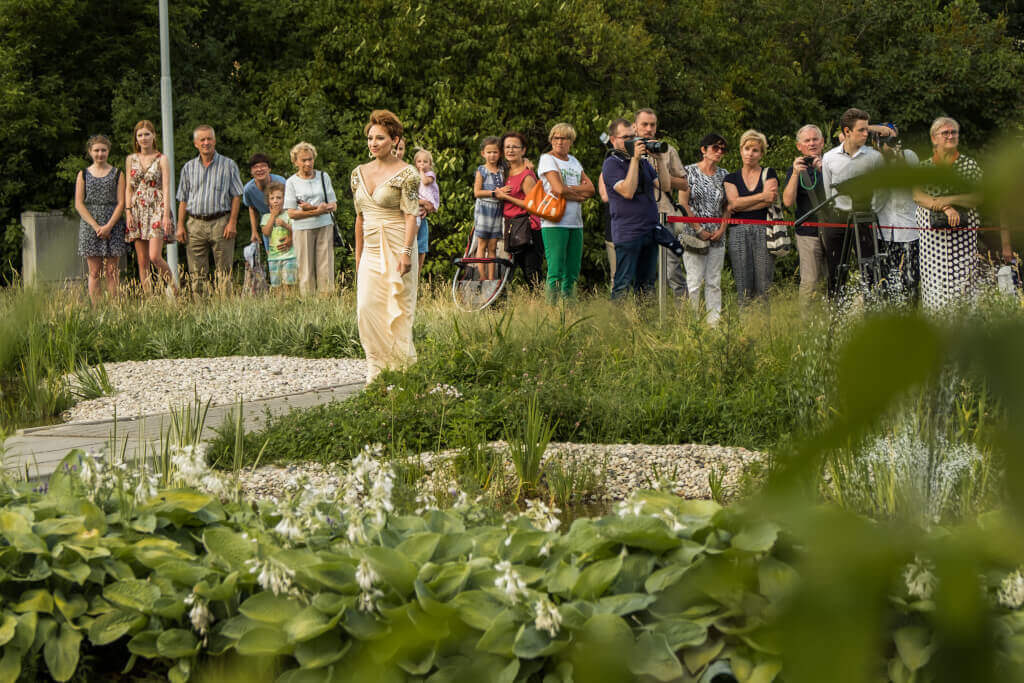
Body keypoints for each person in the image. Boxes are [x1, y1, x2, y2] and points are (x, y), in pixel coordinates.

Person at [351, 109, 421, 383]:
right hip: (370, 249)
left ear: (394, 140)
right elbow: (359, 218)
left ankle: (402, 374)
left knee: (399, 310)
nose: (373, 143)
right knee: (366, 308)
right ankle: (376, 372)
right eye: (370, 138)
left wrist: (406, 253)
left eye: (380, 138)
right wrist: (358, 257)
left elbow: (411, 215)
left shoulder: (408, 174)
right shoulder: (358, 173)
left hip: (397, 246)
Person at [912, 116, 988, 309]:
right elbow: (918, 196)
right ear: (934, 138)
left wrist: (950, 200)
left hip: (963, 241)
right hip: (932, 242)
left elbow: (978, 197)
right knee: (935, 293)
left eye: (953, 132)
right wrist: (944, 207)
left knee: (964, 290)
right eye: (945, 133)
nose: (950, 136)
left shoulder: (969, 165)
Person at [820, 108, 884, 297]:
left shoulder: (874, 158)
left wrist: (871, 210)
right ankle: (836, 310)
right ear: (847, 131)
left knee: (870, 270)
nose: (866, 134)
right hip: (838, 219)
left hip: (865, 218)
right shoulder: (829, 157)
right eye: (861, 130)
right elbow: (828, 191)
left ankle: (872, 309)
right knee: (836, 270)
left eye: (867, 130)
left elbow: (883, 192)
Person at [175, 125, 244, 291]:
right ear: (196, 144)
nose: (206, 142)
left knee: (224, 272)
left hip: (221, 223)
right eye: (202, 140)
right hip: (195, 224)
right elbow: (183, 199)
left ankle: (224, 305)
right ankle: (200, 306)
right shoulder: (188, 167)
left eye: (209, 139)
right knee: (197, 274)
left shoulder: (229, 165)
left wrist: (232, 222)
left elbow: (236, 195)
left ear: (214, 140)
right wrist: (180, 225)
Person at [635, 108, 689, 299]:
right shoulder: (627, 150)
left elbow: (684, 183)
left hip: (664, 214)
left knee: (672, 270)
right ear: (635, 126)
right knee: (642, 271)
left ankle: (683, 312)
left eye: (652, 125)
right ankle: (643, 311)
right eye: (644, 124)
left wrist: (659, 177)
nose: (649, 129)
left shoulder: (667, 150)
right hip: (637, 217)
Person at [602, 118, 660, 299]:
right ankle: (616, 317)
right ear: (613, 140)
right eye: (626, 137)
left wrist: (660, 159)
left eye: (633, 136)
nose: (632, 141)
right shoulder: (612, 163)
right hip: (629, 233)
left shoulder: (643, 162)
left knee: (647, 285)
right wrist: (635, 159)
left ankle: (643, 317)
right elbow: (628, 191)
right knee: (623, 283)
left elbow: (664, 186)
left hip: (649, 230)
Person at [537, 122, 595, 301]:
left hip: (575, 222)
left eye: (564, 138)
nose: (559, 141)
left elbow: (591, 189)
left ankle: (569, 309)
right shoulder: (547, 159)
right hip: (555, 222)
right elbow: (557, 189)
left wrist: (569, 188)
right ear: (551, 140)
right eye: (556, 138)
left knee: (572, 271)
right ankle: (552, 310)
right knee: (555, 270)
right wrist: (578, 195)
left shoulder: (574, 161)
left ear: (571, 141)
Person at [680, 133, 730, 325]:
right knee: (694, 282)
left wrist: (722, 229)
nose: (719, 152)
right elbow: (683, 203)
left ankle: (713, 324)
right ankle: (692, 324)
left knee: (714, 282)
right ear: (704, 149)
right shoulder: (688, 172)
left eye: (722, 149)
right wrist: (698, 229)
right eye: (715, 147)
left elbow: (728, 206)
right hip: (693, 234)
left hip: (717, 235)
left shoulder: (724, 175)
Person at [724, 130, 779, 303]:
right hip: (738, 231)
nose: (750, 153)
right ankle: (745, 319)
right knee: (743, 284)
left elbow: (769, 200)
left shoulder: (769, 173)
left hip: (764, 230)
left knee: (764, 284)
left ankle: (763, 320)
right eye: (747, 148)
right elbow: (733, 204)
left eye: (755, 150)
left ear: (761, 154)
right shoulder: (730, 178)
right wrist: (761, 196)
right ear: (741, 150)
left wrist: (742, 203)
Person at [124, 120, 175, 295]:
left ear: (154, 136)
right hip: (137, 209)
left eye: (147, 134)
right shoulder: (131, 159)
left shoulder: (162, 159)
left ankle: (176, 290)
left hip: (156, 208)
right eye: (140, 135)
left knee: (154, 256)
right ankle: (149, 300)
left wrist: (166, 215)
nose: (143, 138)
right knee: (142, 260)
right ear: (136, 138)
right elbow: (129, 188)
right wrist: (128, 212)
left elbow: (166, 188)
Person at [75, 134, 127, 303]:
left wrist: (108, 226)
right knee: (94, 272)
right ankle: (96, 310)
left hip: (113, 223)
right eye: (96, 150)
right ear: (90, 152)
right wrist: (96, 226)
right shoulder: (83, 174)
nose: (100, 154)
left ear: (108, 151)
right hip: (90, 225)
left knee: (112, 272)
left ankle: (114, 308)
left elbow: (121, 203)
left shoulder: (118, 174)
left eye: (103, 150)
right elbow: (79, 204)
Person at [872, 125, 921, 302]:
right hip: (884, 231)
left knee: (911, 279)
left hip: (909, 229)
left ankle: (911, 310)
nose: (890, 143)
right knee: (885, 280)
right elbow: (875, 200)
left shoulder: (909, 156)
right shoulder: (874, 162)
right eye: (885, 139)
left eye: (892, 138)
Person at [284, 141, 337, 296]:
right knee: (305, 269)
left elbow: (333, 205)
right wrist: (316, 211)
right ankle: (308, 302)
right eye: (304, 160)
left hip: (324, 225)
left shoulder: (323, 177)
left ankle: (327, 300)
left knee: (326, 267)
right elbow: (291, 213)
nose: (308, 163)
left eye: (310, 159)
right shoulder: (291, 182)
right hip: (302, 229)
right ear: (296, 162)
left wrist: (312, 208)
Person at [782, 124, 827, 304]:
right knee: (810, 282)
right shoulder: (795, 170)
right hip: (808, 233)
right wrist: (795, 173)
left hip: (834, 230)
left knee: (834, 278)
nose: (812, 143)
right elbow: (787, 201)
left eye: (815, 139)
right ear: (799, 146)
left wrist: (823, 170)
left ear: (822, 142)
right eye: (807, 140)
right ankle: (806, 319)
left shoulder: (832, 164)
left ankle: (832, 316)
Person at [494, 131, 544, 290]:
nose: (510, 150)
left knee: (531, 273)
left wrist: (505, 197)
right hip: (510, 227)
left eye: (515, 147)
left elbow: (533, 205)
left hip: (528, 227)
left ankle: (542, 303)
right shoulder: (504, 171)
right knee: (504, 272)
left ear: (523, 150)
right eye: (507, 147)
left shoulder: (527, 175)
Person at [472, 137, 506, 285]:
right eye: (489, 152)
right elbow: (477, 192)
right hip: (484, 209)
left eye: (495, 152)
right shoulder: (482, 170)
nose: (492, 155)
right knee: (482, 245)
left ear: (500, 153)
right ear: (483, 153)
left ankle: (491, 278)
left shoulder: (503, 170)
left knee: (493, 246)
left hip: (497, 210)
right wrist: (494, 193)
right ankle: (482, 276)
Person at [242, 153, 287, 255]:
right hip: (267, 223)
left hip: (285, 221)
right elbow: (252, 208)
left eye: (263, 166)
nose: (259, 169)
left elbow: (290, 204)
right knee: (272, 256)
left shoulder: (281, 182)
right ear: (251, 171)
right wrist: (254, 231)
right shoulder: (248, 189)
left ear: (269, 169)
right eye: (255, 167)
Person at [262, 182, 297, 292]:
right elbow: (266, 232)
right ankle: (278, 302)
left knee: (289, 285)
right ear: (268, 201)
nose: (275, 201)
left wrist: (285, 225)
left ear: (285, 199)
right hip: (273, 257)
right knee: (276, 286)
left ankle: (290, 301)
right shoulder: (266, 217)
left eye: (279, 198)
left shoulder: (289, 215)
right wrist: (273, 216)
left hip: (290, 256)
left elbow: (297, 231)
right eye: (272, 198)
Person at [413, 148, 439, 270]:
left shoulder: (430, 175)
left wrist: (421, 171)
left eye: (425, 162)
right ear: (415, 163)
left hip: (428, 202)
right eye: (419, 162)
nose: (422, 164)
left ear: (430, 164)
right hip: (419, 203)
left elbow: (424, 181)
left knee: (420, 242)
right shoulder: (414, 176)